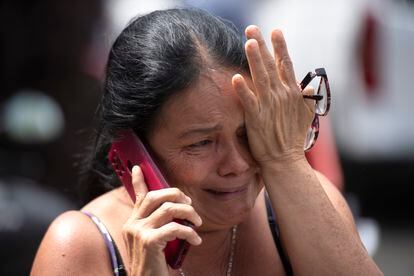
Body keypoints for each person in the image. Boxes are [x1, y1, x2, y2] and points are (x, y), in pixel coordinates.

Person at [31, 8, 383, 276]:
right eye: (201, 143)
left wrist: (286, 159)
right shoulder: (79, 246)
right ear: (133, 150)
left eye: (248, 133)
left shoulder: (298, 202)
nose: (238, 164)